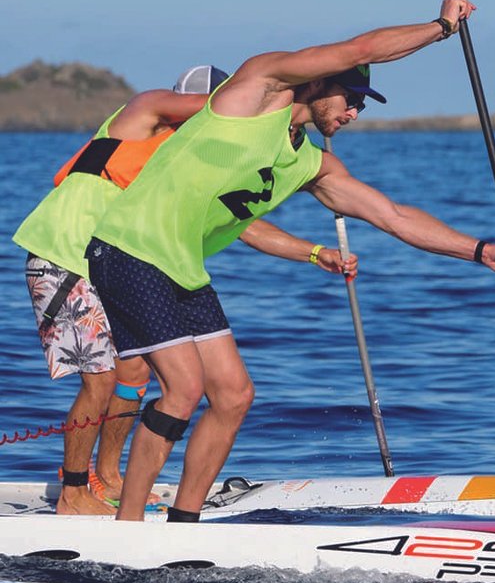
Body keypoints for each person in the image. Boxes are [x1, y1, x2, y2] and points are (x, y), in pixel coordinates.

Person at [86, 0, 495, 523]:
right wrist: (441, 28)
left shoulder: (309, 162)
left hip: (181, 266)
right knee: (183, 389)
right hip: (129, 247)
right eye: (353, 98)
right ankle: (130, 527)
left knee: (233, 396)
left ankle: (185, 523)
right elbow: (362, 46)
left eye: (363, 107)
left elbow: (393, 216)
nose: (354, 113)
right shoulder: (257, 89)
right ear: (321, 82)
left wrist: (479, 250)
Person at [14, 65, 356, 515]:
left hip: (114, 264)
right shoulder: (147, 111)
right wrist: (270, 106)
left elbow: (245, 227)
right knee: (99, 380)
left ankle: (111, 477)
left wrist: (313, 253)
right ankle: (74, 492)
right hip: (63, 252)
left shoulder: (190, 156)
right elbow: (227, 112)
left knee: (135, 375)